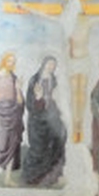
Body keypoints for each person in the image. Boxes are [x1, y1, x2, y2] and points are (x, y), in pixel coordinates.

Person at [23, 54, 67, 187]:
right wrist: (38, 98)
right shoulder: (34, 80)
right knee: (38, 149)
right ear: (43, 64)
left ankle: (51, 177)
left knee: (57, 143)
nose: (51, 67)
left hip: (51, 118)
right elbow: (30, 103)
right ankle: (33, 177)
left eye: (53, 65)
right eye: (49, 64)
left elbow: (56, 99)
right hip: (37, 120)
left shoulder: (54, 80)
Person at [0, 50, 24, 177]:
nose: (11, 64)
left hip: (13, 113)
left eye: (13, 62)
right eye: (9, 61)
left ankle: (8, 179)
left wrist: (18, 88)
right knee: (1, 145)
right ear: (4, 61)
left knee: (12, 145)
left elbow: (19, 102)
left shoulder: (14, 78)